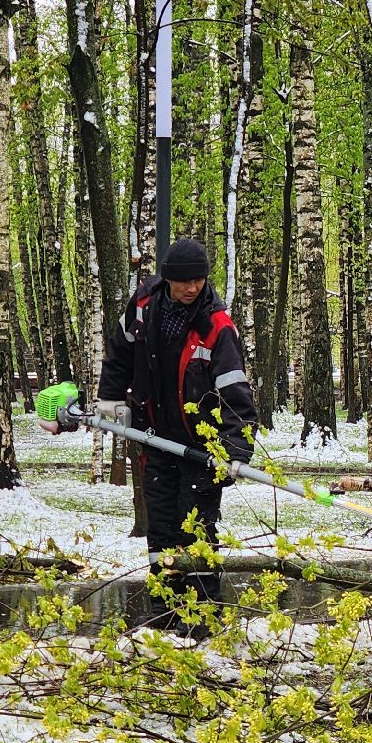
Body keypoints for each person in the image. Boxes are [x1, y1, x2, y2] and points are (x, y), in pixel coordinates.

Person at [96, 238, 258, 581]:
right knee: (161, 527)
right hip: (155, 438)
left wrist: (236, 449)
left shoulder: (216, 328)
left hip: (202, 449)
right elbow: (120, 354)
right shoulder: (142, 306)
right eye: (185, 281)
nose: (192, 288)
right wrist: (109, 396)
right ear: (169, 279)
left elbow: (236, 395)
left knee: (195, 533)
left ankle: (200, 616)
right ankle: (164, 613)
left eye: (198, 281)